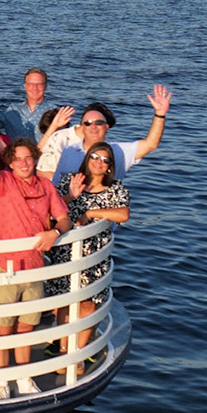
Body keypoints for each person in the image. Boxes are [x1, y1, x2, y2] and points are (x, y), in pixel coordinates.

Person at [0, 124, 71, 400]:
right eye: (18, 159)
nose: (24, 163)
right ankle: (1, 380)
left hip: (34, 266)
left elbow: (64, 218)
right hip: (6, 266)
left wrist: (54, 233)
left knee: (27, 325)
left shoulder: (46, 187)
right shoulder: (4, 183)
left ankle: (23, 376)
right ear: (10, 163)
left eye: (28, 158)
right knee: (3, 326)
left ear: (34, 159)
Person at [64, 142, 130, 361]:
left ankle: (79, 351)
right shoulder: (71, 180)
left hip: (94, 254)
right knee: (63, 300)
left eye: (104, 159)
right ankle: (62, 346)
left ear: (110, 166)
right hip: (65, 252)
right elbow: (52, 206)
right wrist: (70, 196)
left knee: (88, 302)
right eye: (94, 156)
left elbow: (123, 214)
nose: (98, 162)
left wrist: (91, 213)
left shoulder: (115, 189)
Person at [36, 85, 173, 185]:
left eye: (99, 123)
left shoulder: (119, 152)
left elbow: (150, 144)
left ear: (107, 127)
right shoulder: (69, 151)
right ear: (82, 127)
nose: (93, 127)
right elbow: (50, 180)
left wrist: (159, 115)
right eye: (88, 123)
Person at [0, 68, 61, 144]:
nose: (35, 88)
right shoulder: (12, 110)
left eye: (39, 84)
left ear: (45, 86)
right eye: (31, 84)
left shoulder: (55, 113)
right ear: (25, 86)